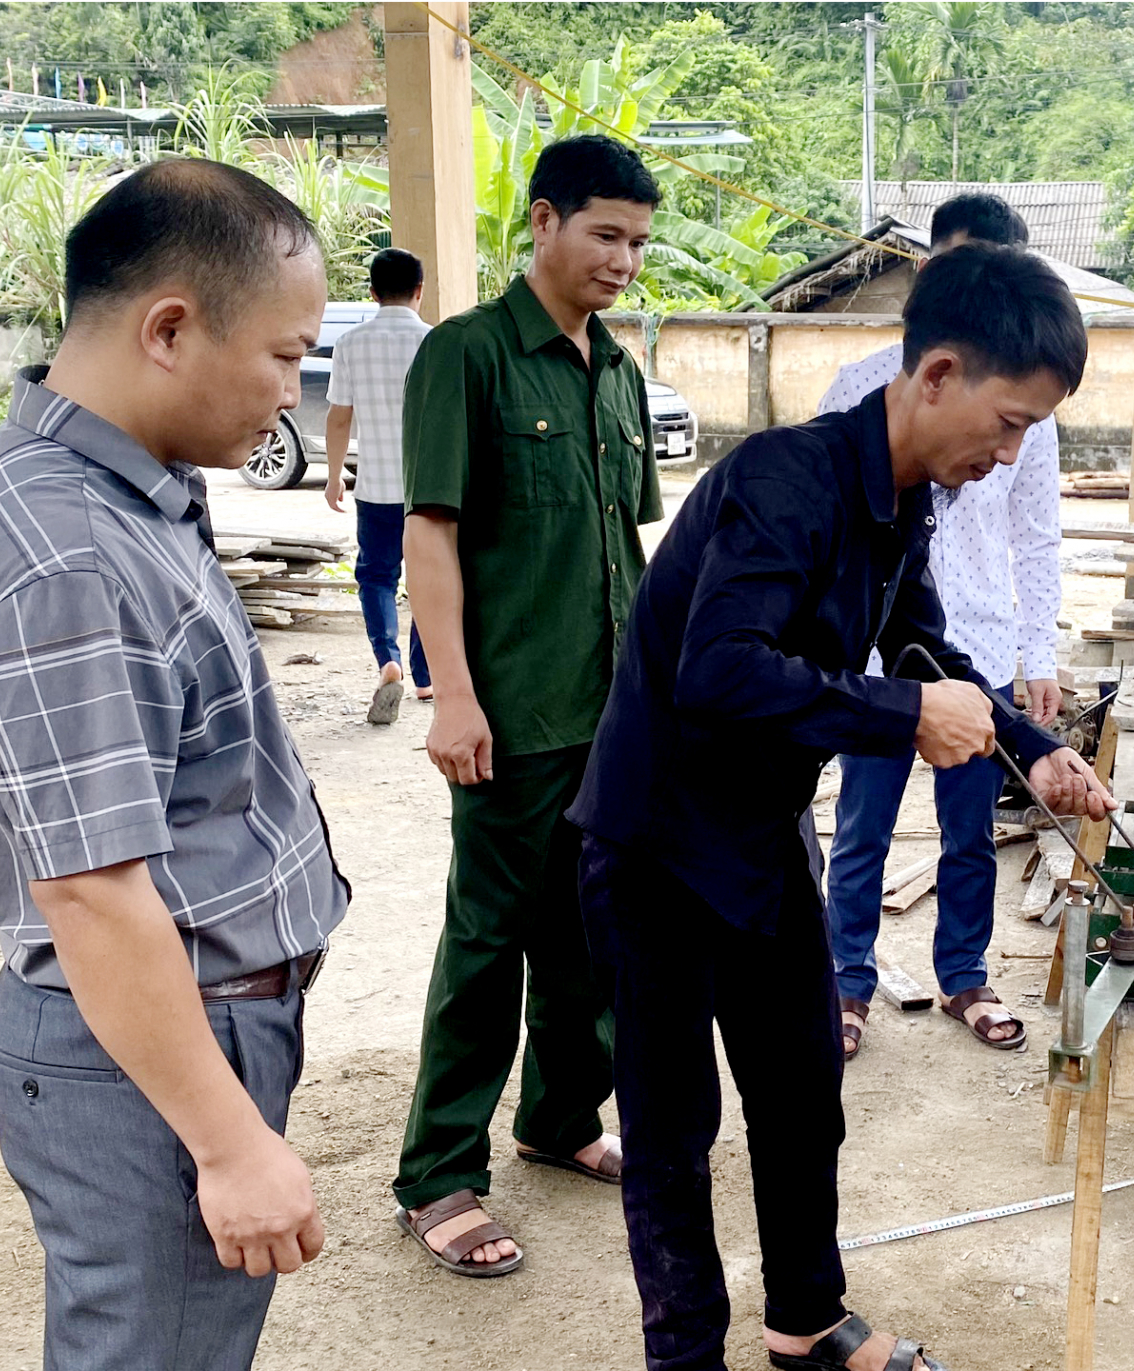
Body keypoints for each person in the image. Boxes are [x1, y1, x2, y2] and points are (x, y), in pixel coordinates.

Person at [570, 244, 1113, 1371]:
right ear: (937, 374)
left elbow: (920, 641)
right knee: (673, 1133)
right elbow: (715, 671)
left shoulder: (900, 499)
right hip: (657, 844)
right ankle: (684, 1357)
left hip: (763, 836)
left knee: (802, 1091)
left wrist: (1033, 749)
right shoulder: (788, 480)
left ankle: (806, 1321)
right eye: (1008, 423)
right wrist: (904, 714)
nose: (1009, 454)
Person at [0, 159, 347, 1370]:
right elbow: (91, 890)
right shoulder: (64, 557)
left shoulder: (133, 495)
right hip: (149, 1057)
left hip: (179, 1033)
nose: (291, 392)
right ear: (170, 327)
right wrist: (227, 1143)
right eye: (283, 355)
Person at [391, 134, 663, 1277]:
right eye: (605, 234)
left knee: (590, 942)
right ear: (544, 223)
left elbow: (628, 549)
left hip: (607, 720)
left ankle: (559, 1123)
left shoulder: (620, 371)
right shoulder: (467, 356)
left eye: (641, 243)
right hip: (507, 719)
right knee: (487, 945)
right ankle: (440, 1174)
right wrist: (453, 695)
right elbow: (431, 533)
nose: (623, 261)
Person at [820, 193, 1063, 1060]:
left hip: (981, 645)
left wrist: (1040, 656)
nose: (1003, 450)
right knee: (864, 823)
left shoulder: (1028, 409)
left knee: (971, 834)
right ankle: (846, 978)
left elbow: (1037, 533)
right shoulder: (858, 393)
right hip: (886, 657)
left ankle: (962, 970)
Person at [323, 246, 433, 724]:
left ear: (371, 292)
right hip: (430, 488)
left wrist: (332, 477)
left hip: (376, 487)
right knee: (431, 578)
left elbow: (338, 417)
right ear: (419, 291)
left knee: (376, 577)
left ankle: (388, 659)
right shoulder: (437, 341)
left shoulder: (350, 343)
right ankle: (426, 677)